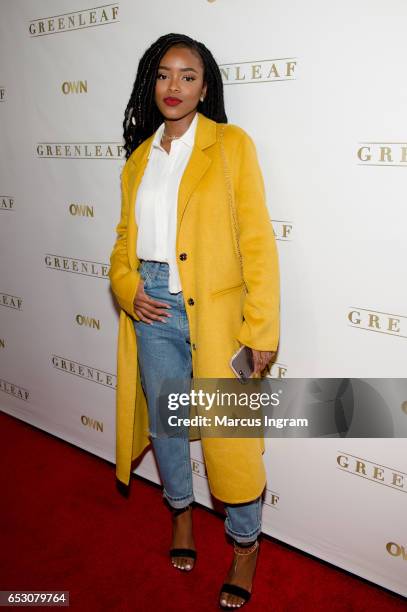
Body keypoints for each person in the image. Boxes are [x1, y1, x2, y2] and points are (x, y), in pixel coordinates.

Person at [109, 33, 280, 609]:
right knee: (167, 427)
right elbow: (123, 243)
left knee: (230, 436)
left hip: (216, 313)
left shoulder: (231, 145)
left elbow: (257, 241)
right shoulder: (138, 159)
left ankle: (245, 544)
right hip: (153, 308)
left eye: (188, 75)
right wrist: (129, 287)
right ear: (149, 83)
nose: (174, 86)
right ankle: (180, 515)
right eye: (163, 74)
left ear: (206, 86)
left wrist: (261, 330)